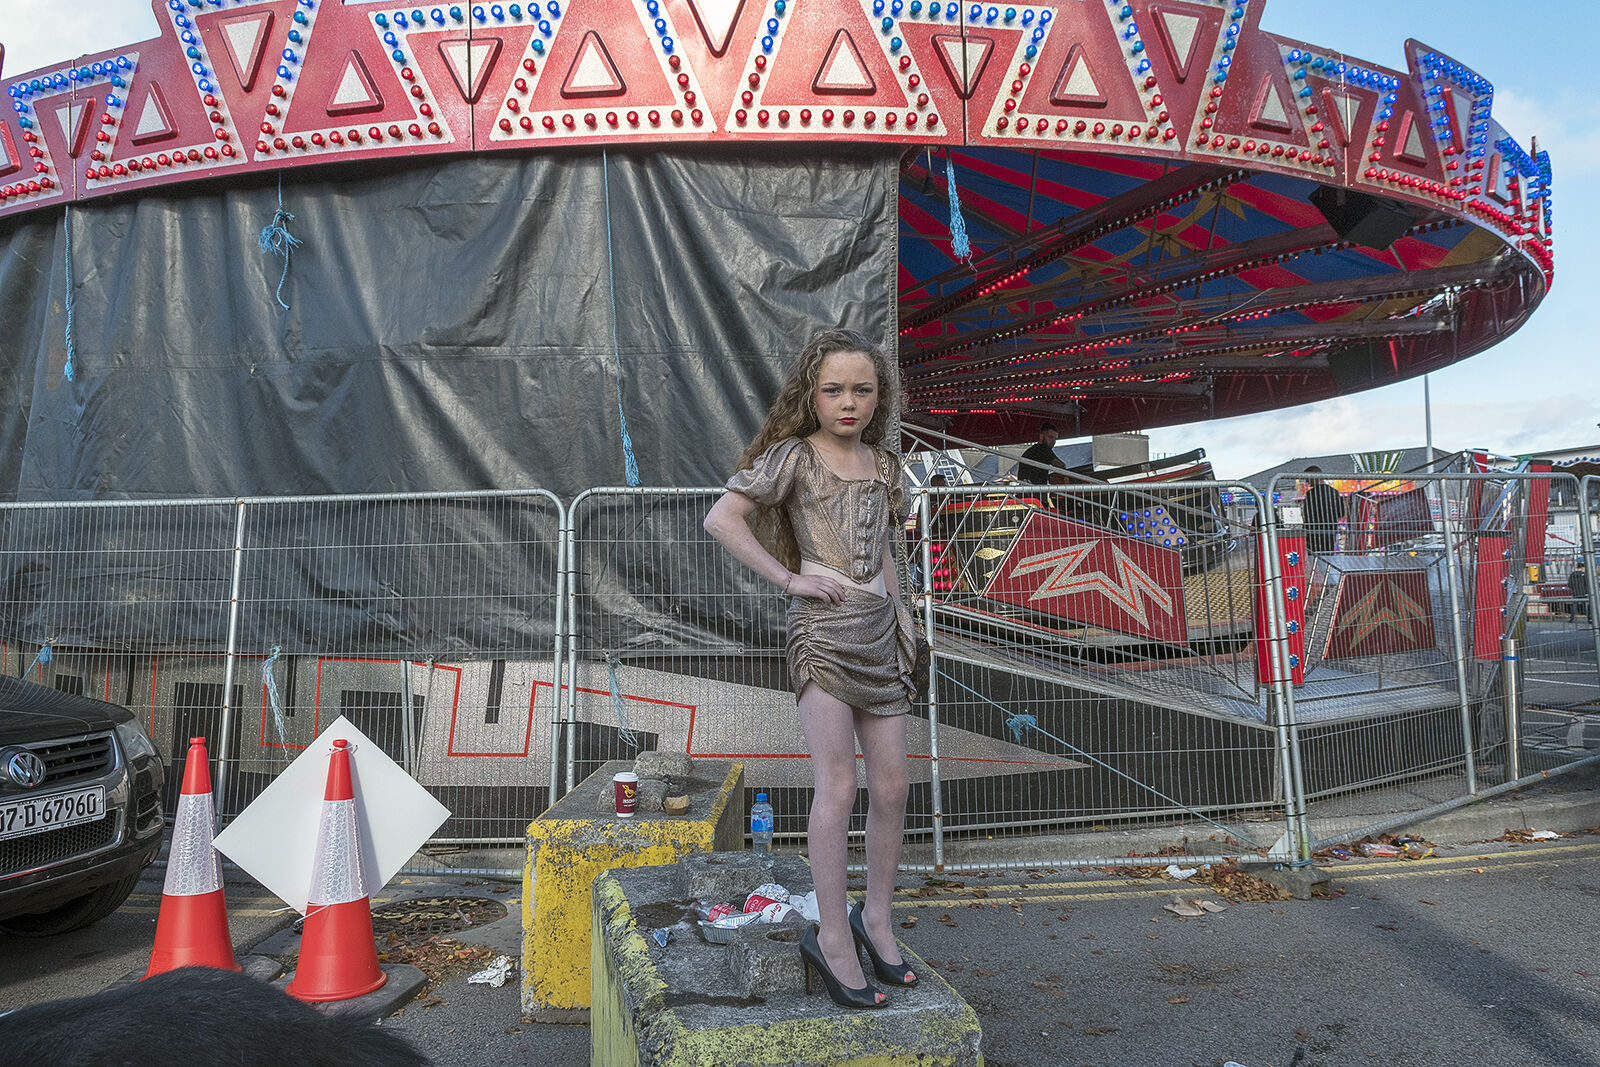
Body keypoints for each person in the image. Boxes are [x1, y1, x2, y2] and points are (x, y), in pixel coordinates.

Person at [703, 328, 918, 1010]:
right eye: (833, 389)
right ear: (811, 393)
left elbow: (884, 546)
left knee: (892, 782)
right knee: (840, 783)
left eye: (862, 388)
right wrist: (787, 579)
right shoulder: (793, 456)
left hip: (880, 633)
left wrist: (905, 612)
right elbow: (722, 517)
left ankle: (874, 919)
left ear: (879, 395)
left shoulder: (885, 463)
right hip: (822, 633)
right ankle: (830, 935)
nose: (848, 401)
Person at [1301, 465, 1345, 555]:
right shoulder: (1334, 492)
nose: (1307, 482)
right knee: (1327, 557)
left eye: (1307, 478)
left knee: (1313, 558)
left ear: (1313, 477)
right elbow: (1341, 513)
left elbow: (1307, 515)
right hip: (1330, 531)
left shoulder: (1310, 494)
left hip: (1313, 533)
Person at [1016, 422, 1067, 490]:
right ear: (1041, 436)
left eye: (1055, 439)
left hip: (1027, 492)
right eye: (1050, 437)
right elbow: (1060, 465)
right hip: (1035, 492)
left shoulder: (1032, 450)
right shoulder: (1043, 449)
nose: (1053, 442)